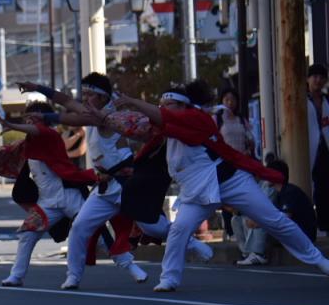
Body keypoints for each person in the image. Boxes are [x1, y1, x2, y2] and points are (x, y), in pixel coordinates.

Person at [115, 80, 329, 291]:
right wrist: (101, 117)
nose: (163, 107)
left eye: (168, 103)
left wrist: (132, 101)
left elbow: (163, 116)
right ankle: (169, 278)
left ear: (183, 106)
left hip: (231, 181)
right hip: (197, 191)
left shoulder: (197, 118)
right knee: (179, 230)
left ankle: (319, 260)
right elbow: (138, 128)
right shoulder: (166, 131)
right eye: (161, 103)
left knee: (274, 220)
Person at [16, 74, 150, 289]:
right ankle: (71, 276)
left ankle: (190, 243)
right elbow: (68, 102)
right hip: (86, 192)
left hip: (121, 185)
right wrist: (37, 87)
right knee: (79, 229)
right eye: (84, 94)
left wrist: (47, 117)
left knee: (153, 226)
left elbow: (74, 117)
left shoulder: (110, 116)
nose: (84, 99)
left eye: (89, 95)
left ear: (103, 97)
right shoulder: (33, 140)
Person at [0, 101, 97, 287]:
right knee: (27, 234)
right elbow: (2, 151)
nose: (28, 122)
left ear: (44, 120)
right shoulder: (26, 144)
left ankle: (128, 263)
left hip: (69, 195)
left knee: (93, 230)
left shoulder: (51, 136)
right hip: (47, 203)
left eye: (32, 118)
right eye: (26, 118)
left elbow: (39, 130)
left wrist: (11, 125)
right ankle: (16, 276)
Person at [215, 87, 254, 240]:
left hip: (242, 161)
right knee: (227, 196)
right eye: (226, 99)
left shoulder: (241, 119)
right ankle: (230, 230)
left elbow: (251, 139)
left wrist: (249, 149)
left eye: (233, 99)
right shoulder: (217, 120)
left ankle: (244, 229)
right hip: (225, 161)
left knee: (243, 194)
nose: (230, 103)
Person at [306, 64, 329, 232]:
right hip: (308, 146)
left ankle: (324, 223)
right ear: (308, 79)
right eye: (314, 76)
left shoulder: (327, 100)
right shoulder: (301, 99)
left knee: (325, 186)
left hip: (326, 147)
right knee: (311, 186)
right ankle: (315, 224)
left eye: (321, 77)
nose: (318, 80)